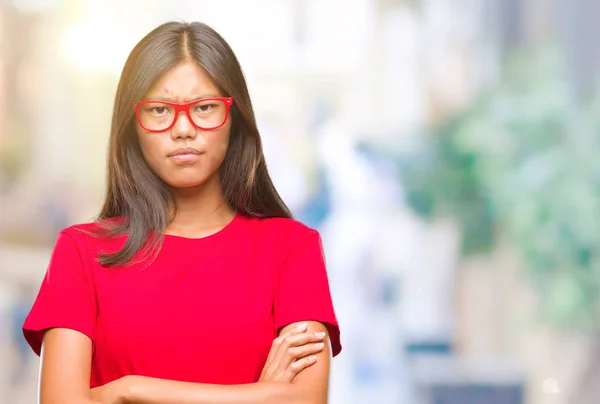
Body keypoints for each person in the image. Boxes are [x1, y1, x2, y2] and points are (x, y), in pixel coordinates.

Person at [22, 21, 341, 404]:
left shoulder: (292, 249)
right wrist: (258, 395)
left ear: (234, 117)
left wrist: (128, 391)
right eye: (159, 110)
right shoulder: (81, 252)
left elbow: (303, 401)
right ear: (132, 125)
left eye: (204, 107)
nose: (183, 129)